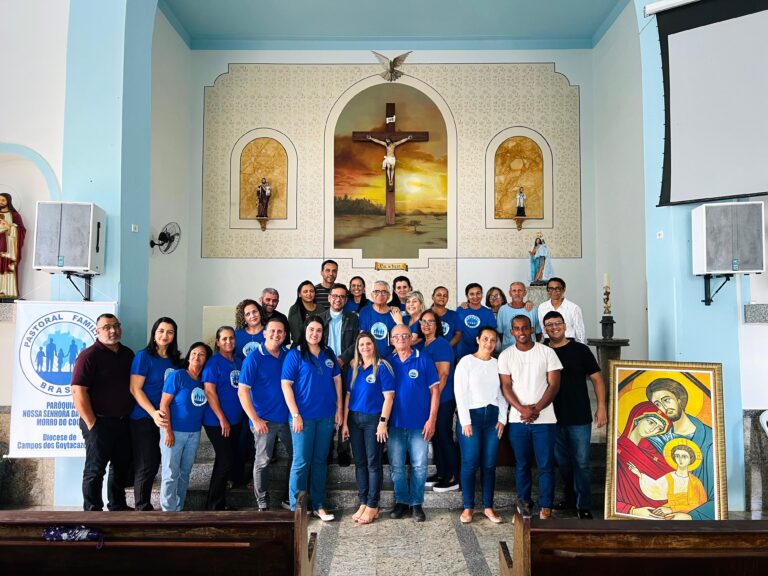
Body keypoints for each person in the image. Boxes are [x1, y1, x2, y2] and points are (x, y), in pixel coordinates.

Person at [543, 311, 606, 519]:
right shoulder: (542, 350)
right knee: (563, 463)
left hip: (579, 416)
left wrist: (602, 406)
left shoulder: (580, 350)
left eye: (557, 323)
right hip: (552, 416)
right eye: (549, 325)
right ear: (545, 329)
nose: (554, 327)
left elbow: (597, 379)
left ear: (564, 325)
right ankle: (570, 498)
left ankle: (584, 505)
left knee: (582, 462)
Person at [499, 315, 562, 519]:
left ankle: (546, 505)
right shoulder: (506, 355)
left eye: (525, 328)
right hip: (518, 420)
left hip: (545, 420)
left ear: (532, 329)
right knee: (522, 464)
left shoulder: (547, 352)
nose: (522, 332)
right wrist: (522, 409)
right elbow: (506, 386)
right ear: (512, 332)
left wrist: (536, 409)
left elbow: (554, 384)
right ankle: (524, 501)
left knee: (545, 465)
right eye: (517, 329)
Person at [281, 315, 343, 521]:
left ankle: (318, 504)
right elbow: (286, 385)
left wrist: (339, 409)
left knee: (319, 462)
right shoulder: (295, 354)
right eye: (311, 330)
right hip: (303, 418)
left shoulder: (328, 353)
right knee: (301, 462)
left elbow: (337, 381)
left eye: (318, 330)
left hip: (325, 416)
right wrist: (295, 414)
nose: (315, 333)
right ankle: (296, 508)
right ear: (305, 331)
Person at [71, 313, 135, 511]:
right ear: (97, 331)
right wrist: (92, 423)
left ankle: (117, 506)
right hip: (98, 422)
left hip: (123, 421)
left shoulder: (127, 354)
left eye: (116, 325)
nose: (113, 330)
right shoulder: (89, 356)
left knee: (120, 467)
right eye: (107, 327)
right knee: (95, 470)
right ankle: (92, 512)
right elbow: (77, 390)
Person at [454, 327, 508, 524]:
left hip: (492, 418)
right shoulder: (466, 362)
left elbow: (503, 393)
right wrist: (465, 421)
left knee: (489, 464)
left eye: (492, 340)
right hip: (472, 419)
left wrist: (503, 418)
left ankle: (488, 507)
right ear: (478, 339)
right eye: (485, 339)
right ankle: (468, 507)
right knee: (469, 462)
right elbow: (460, 393)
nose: (488, 343)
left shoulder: (498, 364)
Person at [238, 317, 292, 511]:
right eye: (273, 331)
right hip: (263, 421)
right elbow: (242, 391)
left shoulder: (289, 354)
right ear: (264, 333)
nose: (276, 335)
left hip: (287, 419)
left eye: (280, 332)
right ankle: (263, 503)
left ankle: (289, 497)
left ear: (285, 335)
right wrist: (255, 419)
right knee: (262, 462)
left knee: (296, 457)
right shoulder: (254, 357)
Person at [387, 324, 440, 522]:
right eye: (396, 336)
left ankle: (416, 503)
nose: (401, 338)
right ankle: (401, 502)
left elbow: (435, 391)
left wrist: (432, 419)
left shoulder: (423, 359)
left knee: (419, 466)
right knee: (397, 466)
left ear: (411, 338)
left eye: (405, 335)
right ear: (391, 340)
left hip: (420, 424)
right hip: (395, 424)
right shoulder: (387, 363)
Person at [342, 332, 395, 525]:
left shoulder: (382, 367)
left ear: (374, 345)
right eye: (361, 344)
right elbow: (348, 397)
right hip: (355, 420)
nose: (365, 347)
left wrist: (383, 422)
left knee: (374, 463)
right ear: (357, 348)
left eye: (368, 344)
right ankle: (363, 501)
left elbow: (389, 397)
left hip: (374, 420)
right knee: (360, 463)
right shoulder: (354, 369)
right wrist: (346, 423)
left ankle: (373, 505)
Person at [129, 317, 181, 511]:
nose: (165, 335)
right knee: (147, 463)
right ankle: (142, 507)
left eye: (169, 332)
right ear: (154, 333)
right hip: (144, 417)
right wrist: (153, 413)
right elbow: (135, 389)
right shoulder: (144, 357)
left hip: (166, 419)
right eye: (161, 331)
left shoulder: (176, 361)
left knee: (160, 462)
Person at [644, 378, 715, 520]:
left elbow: (716, 497)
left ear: (679, 399)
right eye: (657, 404)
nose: (663, 407)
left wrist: (690, 516)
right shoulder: (655, 441)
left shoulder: (709, 440)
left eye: (666, 400)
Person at [159, 342, 213, 512]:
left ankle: (178, 508)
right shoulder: (178, 376)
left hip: (194, 433)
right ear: (189, 356)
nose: (197, 356)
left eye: (201, 354)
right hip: (173, 431)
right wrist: (167, 431)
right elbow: (163, 405)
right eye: (194, 353)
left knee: (184, 473)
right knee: (170, 473)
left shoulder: (204, 382)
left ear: (206, 359)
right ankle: (168, 512)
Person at [201, 326, 244, 510]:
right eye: (224, 339)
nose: (229, 342)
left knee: (224, 461)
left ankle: (215, 503)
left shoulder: (239, 361)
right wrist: (222, 418)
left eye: (231, 338)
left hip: (236, 420)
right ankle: (214, 506)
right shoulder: (213, 363)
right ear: (217, 342)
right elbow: (209, 392)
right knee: (226, 461)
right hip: (216, 421)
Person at [417, 309, 459, 494]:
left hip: (443, 398)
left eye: (430, 322)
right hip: (431, 399)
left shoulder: (441, 344)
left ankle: (454, 477)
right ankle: (441, 473)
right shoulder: (424, 344)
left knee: (444, 435)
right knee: (435, 437)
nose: (426, 325)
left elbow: (443, 374)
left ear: (437, 325)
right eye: (423, 321)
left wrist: (434, 398)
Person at [320, 283, 359, 466]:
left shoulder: (353, 318)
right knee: (327, 408)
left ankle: (343, 449)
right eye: (335, 295)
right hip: (324, 368)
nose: (338, 299)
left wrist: (343, 358)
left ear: (346, 300)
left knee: (344, 407)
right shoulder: (319, 319)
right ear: (329, 297)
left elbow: (356, 342)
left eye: (342, 296)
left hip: (344, 368)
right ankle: (326, 450)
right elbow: (314, 341)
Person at [615, 401, 674, 517]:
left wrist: (672, 507)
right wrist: (632, 510)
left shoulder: (653, 452)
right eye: (651, 422)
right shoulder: (617, 449)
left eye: (658, 428)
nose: (653, 430)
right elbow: (613, 496)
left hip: (665, 513)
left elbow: (675, 480)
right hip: (635, 514)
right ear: (637, 418)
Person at [628, 442, 707, 516]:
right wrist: (639, 474)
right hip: (668, 511)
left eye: (684, 456)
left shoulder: (695, 482)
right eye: (677, 456)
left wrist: (671, 510)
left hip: (686, 515)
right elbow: (655, 488)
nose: (680, 459)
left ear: (691, 459)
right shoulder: (670, 477)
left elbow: (699, 506)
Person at [359, 280, 404, 357]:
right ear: (372, 295)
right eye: (376, 291)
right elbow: (361, 336)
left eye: (384, 292)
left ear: (389, 295)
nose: (380, 294)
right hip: (369, 358)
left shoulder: (394, 313)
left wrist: (391, 358)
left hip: (391, 358)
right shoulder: (365, 311)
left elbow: (401, 339)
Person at [537, 277, 586, 344]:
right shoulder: (542, 307)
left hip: (568, 342)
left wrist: (580, 346)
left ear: (563, 289)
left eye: (557, 289)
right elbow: (543, 327)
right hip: (549, 342)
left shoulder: (573, 308)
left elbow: (579, 330)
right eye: (551, 289)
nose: (554, 291)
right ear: (547, 290)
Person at [456, 283, 497, 360]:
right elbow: (456, 331)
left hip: (482, 353)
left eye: (478, 293)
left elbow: (492, 334)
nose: (475, 297)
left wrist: (490, 353)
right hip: (462, 352)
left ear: (482, 294)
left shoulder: (488, 312)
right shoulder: (460, 310)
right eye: (472, 294)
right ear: (467, 296)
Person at [497, 282, 541, 351]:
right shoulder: (503, 310)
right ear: (510, 293)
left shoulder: (533, 310)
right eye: (514, 291)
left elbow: (538, 333)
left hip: (530, 350)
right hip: (508, 350)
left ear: (525, 293)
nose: (517, 293)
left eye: (520, 290)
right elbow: (500, 333)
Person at [0, 192, 26, 299]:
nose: (1, 202)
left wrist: (10, 227)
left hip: (10, 248)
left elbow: (22, 231)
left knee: (8, 267)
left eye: (3, 200)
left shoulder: (15, 215)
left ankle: (7, 291)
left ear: (8, 201)